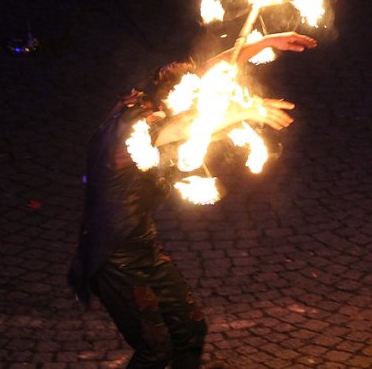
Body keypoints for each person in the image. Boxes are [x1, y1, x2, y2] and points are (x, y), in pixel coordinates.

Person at [68, 32, 317, 369]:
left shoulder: (152, 96)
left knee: (191, 330)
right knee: (154, 350)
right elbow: (187, 125)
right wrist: (251, 109)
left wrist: (265, 42)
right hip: (116, 259)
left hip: (145, 247)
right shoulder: (136, 126)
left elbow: (208, 73)